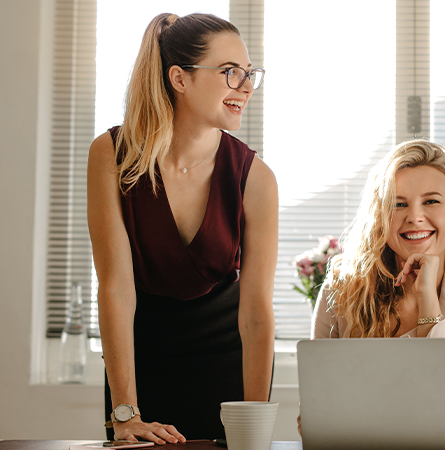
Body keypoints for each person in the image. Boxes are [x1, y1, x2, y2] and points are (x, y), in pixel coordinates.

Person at [87, 13, 278, 443]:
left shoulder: (256, 177)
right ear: (179, 78)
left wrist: (255, 426)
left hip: (226, 371)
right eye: (230, 72)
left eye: (249, 74)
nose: (246, 87)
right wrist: (125, 413)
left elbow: (255, 314)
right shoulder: (112, 155)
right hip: (137, 372)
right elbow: (115, 288)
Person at [312, 140, 445, 375]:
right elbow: (318, 390)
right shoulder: (340, 289)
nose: (415, 217)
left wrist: (427, 298)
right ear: (380, 218)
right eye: (398, 204)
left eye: (431, 201)